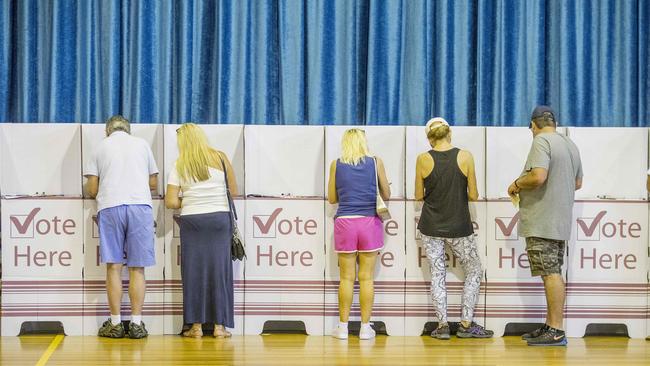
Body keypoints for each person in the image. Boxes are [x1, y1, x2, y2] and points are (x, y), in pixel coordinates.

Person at [508, 105, 582, 346]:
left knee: (550, 274)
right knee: (552, 272)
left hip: (543, 218)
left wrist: (517, 183)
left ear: (533, 124)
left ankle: (557, 330)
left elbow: (538, 176)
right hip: (560, 218)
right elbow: (578, 182)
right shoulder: (570, 144)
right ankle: (551, 325)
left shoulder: (541, 142)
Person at [414, 117, 493, 340]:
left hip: (430, 225)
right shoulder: (465, 156)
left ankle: (442, 326)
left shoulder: (422, 159)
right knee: (474, 270)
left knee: (437, 274)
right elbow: (474, 195)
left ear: (430, 138)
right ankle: (466, 324)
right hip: (459, 224)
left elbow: (419, 195)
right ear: (450, 134)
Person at [84, 115, 159, 339]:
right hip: (140, 206)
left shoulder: (100, 147)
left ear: (107, 131)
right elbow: (154, 183)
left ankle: (115, 324)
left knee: (114, 267)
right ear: (128, 130)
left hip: (111, 206)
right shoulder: (142, 144)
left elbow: (92, 188)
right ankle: (136, 324)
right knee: (138, 268)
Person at [165, 123, 238, 338]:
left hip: (192, 221)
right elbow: (233, 190)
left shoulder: (179, 164)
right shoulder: (221, 157)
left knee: (193, 273)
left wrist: (189, 200)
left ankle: (195, 327)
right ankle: (219, 327)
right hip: (219, 219)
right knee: (220, 272)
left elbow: (170, 201)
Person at [327, 128, 390, 340]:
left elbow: (332, 199)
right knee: (366, 278)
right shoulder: (376, 162)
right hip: (369, 222)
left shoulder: (336, 164)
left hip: (345, 222)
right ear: (364, 142)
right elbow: (386, 193)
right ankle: (365, 328)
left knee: (346, 278)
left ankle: (343, 328)